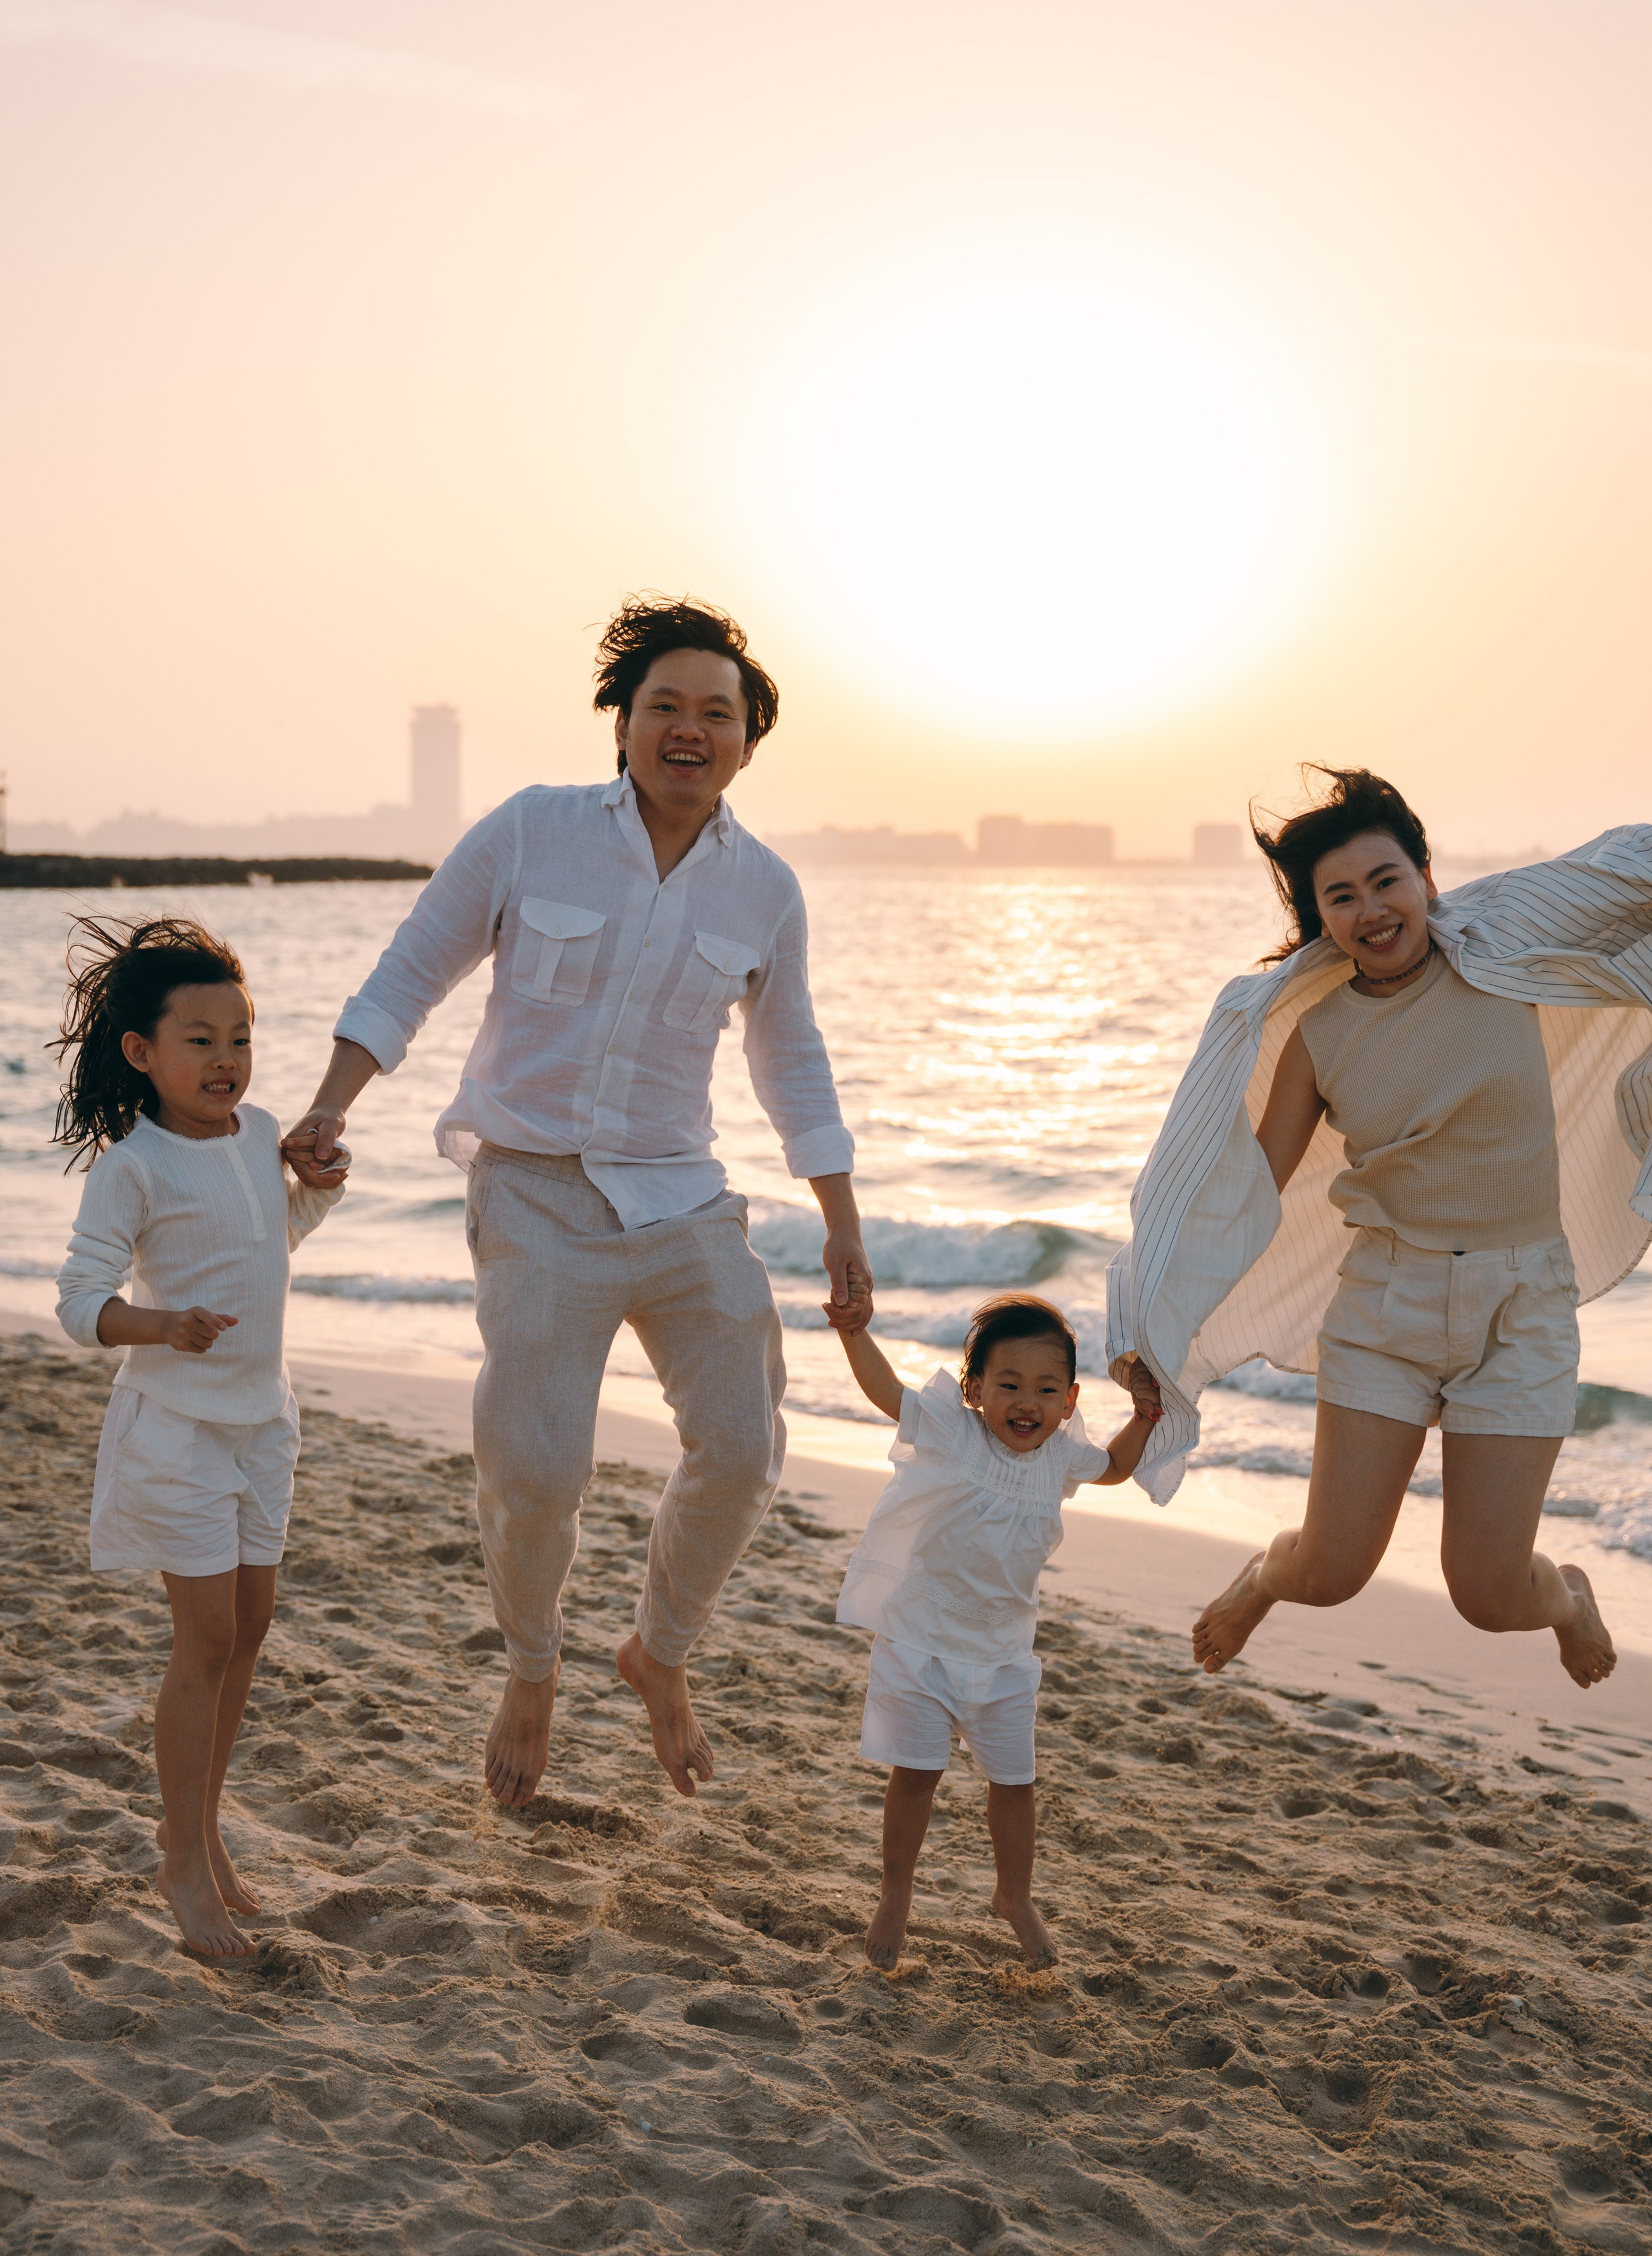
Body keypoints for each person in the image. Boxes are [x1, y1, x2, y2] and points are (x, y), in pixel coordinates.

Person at [282, 597, 871, 1808]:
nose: (689, 730)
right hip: (535, 1190)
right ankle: (534, 1665)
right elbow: (413, 969)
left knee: (748, 1444)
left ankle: (657, 1651)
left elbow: (791, 1060)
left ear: (751, 741)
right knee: (538, 1465)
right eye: (666, 706)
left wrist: (844, 1221)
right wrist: (332, 1105)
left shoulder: (765, 889)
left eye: (718, 713)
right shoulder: (531, 832)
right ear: (623, 721)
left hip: (682, 1201)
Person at [1103, 768, 1652, 1687]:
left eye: (1386, 880)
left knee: (1488, 1593)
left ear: (1428, 878)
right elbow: (1239, 1193)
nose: (1372, 909)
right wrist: (1148, 1328)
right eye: (1342, 897)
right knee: (1329, 1573)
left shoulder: (1501, 948)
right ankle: (1264, 1579)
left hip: (1522, 1308)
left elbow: (1620, 876)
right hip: (1386, 1307)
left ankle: (1569, 1594)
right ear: (1322, 920)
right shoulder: (1319, 1037)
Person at [52, 916, 348, 1962]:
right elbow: (80, 1302)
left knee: (253, 1624)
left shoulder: (256, 1128)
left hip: (262, 1420)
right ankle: (181, 1857)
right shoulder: (131, 1168)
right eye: (200, 1039)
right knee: (207, 1638)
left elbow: (269, 1238)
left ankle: (207, 1829)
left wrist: (316, 1186)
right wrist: (159, 1323)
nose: (226, 1060)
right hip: (176, 1428)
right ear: (142, 1052)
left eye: (241, 1037)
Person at [827, 1287, 1163, 1971]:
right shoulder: (955, 1432)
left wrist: (1145, 1415)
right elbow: (887, 1391)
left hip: (1003, 1656)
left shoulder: (1061, 1457)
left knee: (1015, 1783)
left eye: (1045, 1389)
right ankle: (896, 1891)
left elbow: (1119, 1466)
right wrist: (853, 1333)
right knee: (916, 1774)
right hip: (920, 1640)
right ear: (973, 1389)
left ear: (1068, 1402)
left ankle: (1014, 1895)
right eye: (1008, 1384)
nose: (1026, 1403)